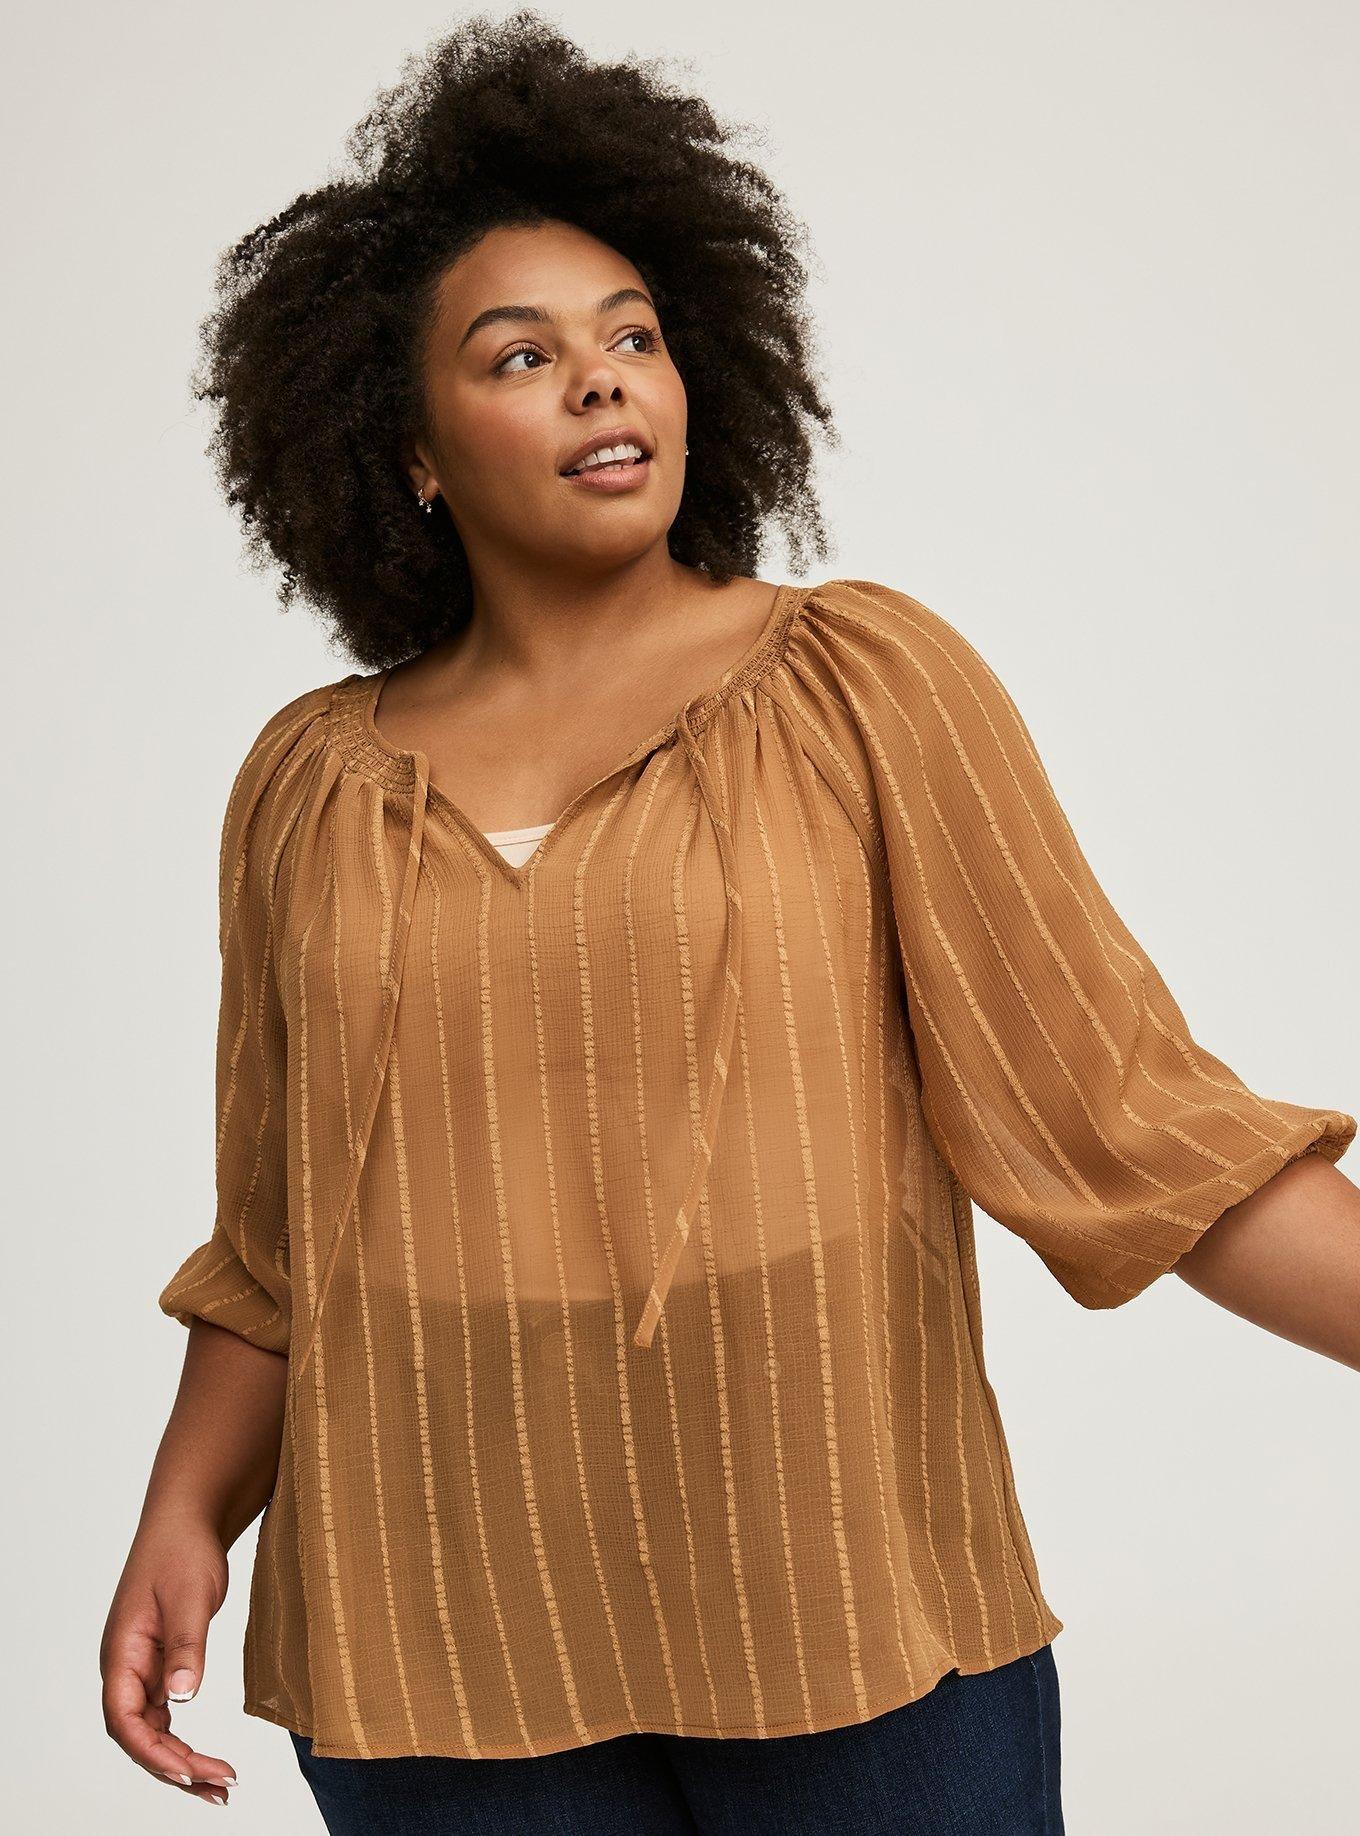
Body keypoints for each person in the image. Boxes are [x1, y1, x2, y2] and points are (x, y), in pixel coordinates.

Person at [101, 13, 1358, 1832]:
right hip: (429, 1637)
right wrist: (184, 1512)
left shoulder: (864, 683)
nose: (603, 383)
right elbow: (281, 1244)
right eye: (522, 355)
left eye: (634, 337)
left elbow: (1130, 1122)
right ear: (411, 450)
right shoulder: (309, 786)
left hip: (846, 1599)